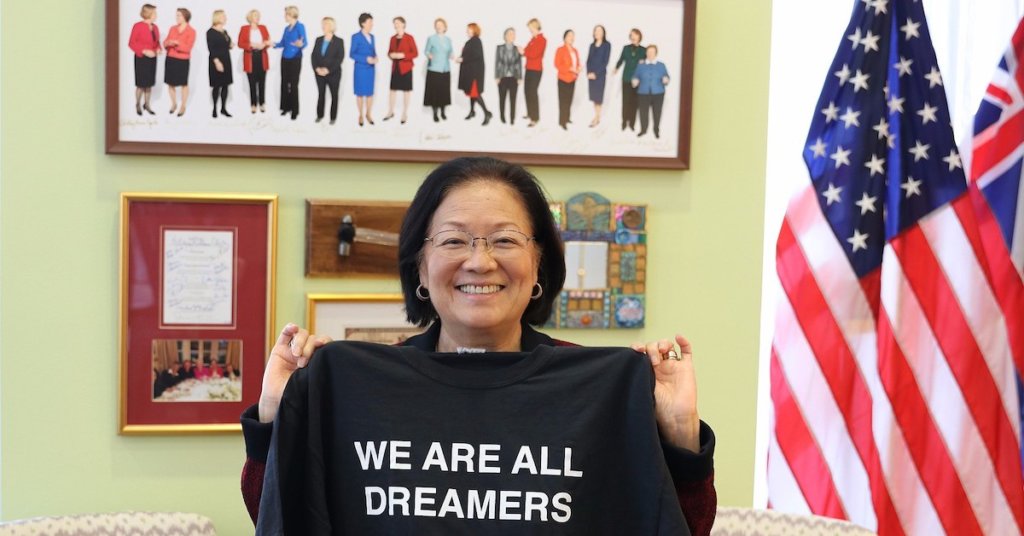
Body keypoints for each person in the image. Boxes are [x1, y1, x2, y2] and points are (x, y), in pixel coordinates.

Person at [239, 156, 717, 535]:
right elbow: (281, 517)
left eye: (504, 240)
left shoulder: (600, 390)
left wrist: (680, 434)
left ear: (538, 264)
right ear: (421, 266)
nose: (480, 261)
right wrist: (277, 418)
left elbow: (673, 526)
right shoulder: (355, 384)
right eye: (454, 241)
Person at [274, 6, 307, 120]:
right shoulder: (286, 28)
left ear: (291, 15)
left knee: (293, 85)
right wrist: (273, 44)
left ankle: (294, 110)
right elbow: (282, 43)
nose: (284, 16)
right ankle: (285, 108)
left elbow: (304, 42)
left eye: (286, 14)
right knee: (284, 83)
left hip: (295, 58)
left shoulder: (300, 26)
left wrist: (300, 44)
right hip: (285, 58)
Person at [128, 4, 161, 116]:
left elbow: (157, 43)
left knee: (149, 84)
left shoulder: (155, 27)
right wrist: (144, 51)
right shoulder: (137, 26)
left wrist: (158, 49)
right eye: (155, 13)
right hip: (141, 59)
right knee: (141, 84)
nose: (156, 15)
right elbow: (131, 43)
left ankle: (147, 105)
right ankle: (138, 104)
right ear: (149, 14)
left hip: (152, 59)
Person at [456, 23, 492, 126]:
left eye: (469, 29)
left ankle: (487, 113)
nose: (467, 30)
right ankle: (472, 111)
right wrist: (460, 58)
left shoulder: (476, 40)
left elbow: (476, 55)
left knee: (475, 93)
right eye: (467, 28)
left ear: (474, 30)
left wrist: (463, 59)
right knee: (471, 93)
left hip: (474, 73)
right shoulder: (470, 41)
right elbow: (468, 54)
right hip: (469, 72)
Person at [384, 16, 418, 124]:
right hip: (395, 68)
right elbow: (389, 52)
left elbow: (415, 53)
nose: (396, 25)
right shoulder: (392, 38)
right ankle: (390, 111)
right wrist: (391, 55)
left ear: (403, 24)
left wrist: (403, 55)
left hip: (406, 68)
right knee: (392, 90)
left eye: (398, 22)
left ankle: (405, 113)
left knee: (406, 91)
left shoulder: (409, 38)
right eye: (395, 23)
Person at [311, 17, 344, 125]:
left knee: (334, 95)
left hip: (333, 74)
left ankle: (333, 118)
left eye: (325, 24)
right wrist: (316, 68)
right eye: (322, 24)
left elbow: (340, 58)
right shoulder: (318, 39)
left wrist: (328, 70)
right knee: (321, 94)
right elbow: (313, 56)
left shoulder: (339, 41)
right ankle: (319, 115)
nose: (323, 26)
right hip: (319, 73)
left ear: (331, 26)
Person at [162, 8, 195, 117]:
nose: (176, 17)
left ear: (185, 16)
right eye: (176, 15)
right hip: (170, 59)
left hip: (183, 60)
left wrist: (177, 43)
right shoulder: (172, 28)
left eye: (179, 15)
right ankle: (174, 103)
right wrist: (168, 43)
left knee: (183, 83)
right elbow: (165, 43)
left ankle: (183, 106)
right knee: (170, 83)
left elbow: (188, 48)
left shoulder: (191, 31)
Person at [632, 44, 670, 139]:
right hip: (643, 93)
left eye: (652, 52)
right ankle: (643, 130)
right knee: (643, 112)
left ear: (656, 53)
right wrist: (634, 80)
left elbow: (666, 76)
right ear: (646, 53)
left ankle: (656, 130)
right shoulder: (640, 65)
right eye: (648, 52)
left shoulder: (661, 65)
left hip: (658, 93)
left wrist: (666, 79)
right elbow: (635, 76)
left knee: (657, 112)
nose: (650, 54)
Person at [238, 9, 270, 114]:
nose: (258, 17)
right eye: (256, 15)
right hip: (250, 57)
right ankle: (253, 104)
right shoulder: (244, 28)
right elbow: (240, 43)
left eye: (259, 15)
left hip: (262, 57)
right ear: (251, 17)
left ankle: (262, 103)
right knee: (252, 83)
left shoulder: (263, 27)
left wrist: (264, 45)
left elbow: (268, 41)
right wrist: (251, 45)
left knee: (262, 82)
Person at [614, 29, 646, 131]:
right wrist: (616, 68)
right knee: (625, 101)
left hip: (637, 80)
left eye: (635, 35)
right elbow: (621, 60)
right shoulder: (626, 48)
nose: (633, 37)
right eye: (631, 35)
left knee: (634, 102)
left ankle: (632, 123)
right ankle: (624, 122)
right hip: (626, 78)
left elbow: (645, 65)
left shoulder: (644, 50)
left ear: (639, 36)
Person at [423, 18, 454, 122]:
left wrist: (452, 55)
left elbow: (451, 51)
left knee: (444, 91)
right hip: (434, 69)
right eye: (437, 25)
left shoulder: (448, 40)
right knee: (435, 92)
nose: (439, 27)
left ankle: (443, 112)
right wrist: (429, 55)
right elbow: (426, 51)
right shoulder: (431, 38)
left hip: (445, 69)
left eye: (440, 25)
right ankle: (435, 113)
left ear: (445, 27)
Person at [350, 13, 378, 126]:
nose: (372, 24)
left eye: (372, 22)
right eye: (369, 22)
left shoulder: (372, 37)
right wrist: (366, 59)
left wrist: (376, 57)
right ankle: (361, 115)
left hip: (370, 69)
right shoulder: (356, 37)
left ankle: (368, 114)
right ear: (363, 23)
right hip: (360, 69)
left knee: (370, 93)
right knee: (360, 93)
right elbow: (352, 54)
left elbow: (373, 51)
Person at [207, 10, 234, 118]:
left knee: (225, 85)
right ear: (217, 17)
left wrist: (231, 45)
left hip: (226, 60)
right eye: (223, 16)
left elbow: (227, 44)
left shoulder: (224, 31)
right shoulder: (210, 32)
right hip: (216, 61)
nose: (225, 18)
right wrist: (217, 62)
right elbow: (211, 48)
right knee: (216, 86)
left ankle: (223, 108)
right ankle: (214, 108)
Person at [494, 27, 522, 125]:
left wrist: (519, 77)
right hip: (502, 77)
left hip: (514, 78)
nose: (512, 35)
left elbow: (519, 63)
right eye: (510, 34)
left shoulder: (517, 48)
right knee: (502, 98)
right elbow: (497, 62)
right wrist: (497, 76)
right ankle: (502, 117)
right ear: (505, 36)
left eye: (513, 34)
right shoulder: (499, 48)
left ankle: (512, 118)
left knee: (513, 99)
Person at [521, 18, 546, 127]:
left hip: (536, 70)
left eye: (531, 28)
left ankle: (535, 118)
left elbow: (534, 54)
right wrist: (522, 51)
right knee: (526, 91)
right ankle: (530, 113)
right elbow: (526, 50)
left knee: (532, 92)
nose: (530, 30)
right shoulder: (532, 39)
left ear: (536, 27)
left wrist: (524, 52)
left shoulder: (542, 40)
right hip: (529, 68)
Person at [554, 29, 581, 130]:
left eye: (573, 36)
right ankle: (562, 121)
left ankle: (567, 118)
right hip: (563, 79)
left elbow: (577, 63)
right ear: (565, 38)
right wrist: (569, 68)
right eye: (569, 35)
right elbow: (557, 64)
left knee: (569, 99)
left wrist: (578, 68)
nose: (572, 37)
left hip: (572, 79)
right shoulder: (560, 49)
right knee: (563, 101)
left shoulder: (575, 51)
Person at [586, 25, 611, 128]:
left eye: (599, 30)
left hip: (600, 75)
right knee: (593, 96)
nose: (597, 32)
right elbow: (588, 60)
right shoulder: (592, 45)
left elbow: (605, 62)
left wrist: (596, 74)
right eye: (595, 30)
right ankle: (596, 115)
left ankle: (597, 117)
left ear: (603, 33)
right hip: (591, 76)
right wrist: (589, 72)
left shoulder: (607, 45)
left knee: (598, 97)